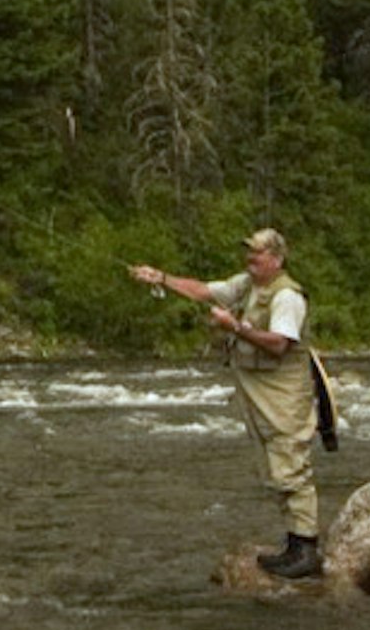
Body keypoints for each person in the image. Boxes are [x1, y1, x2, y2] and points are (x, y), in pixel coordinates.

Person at [130, 226, 326, 579]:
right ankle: (294, 544)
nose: (251, 259)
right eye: (249, 252)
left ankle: (306, 548)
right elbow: (203, 291)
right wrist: (159, 277)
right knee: (272, 464)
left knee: (290, 462)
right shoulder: (247, 285)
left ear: (277, 259)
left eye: (259, 253)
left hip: (283, 394)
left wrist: (234, 327)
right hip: (258, 390)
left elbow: (280, 344)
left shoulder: (287, 297)